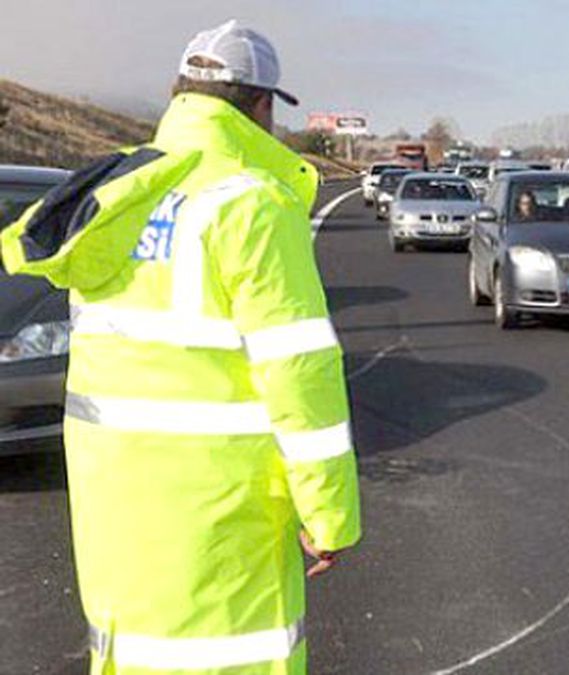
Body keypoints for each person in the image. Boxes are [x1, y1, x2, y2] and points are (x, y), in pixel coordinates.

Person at [0, 20, 360, 673]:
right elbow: (299, 372)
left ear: (180, 94)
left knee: (134, 647)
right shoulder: (251, 202)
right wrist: (329, 511)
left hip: (113, 491)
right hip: (220, 500)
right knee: (232, 652)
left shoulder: (116, 194)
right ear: (261, 106)